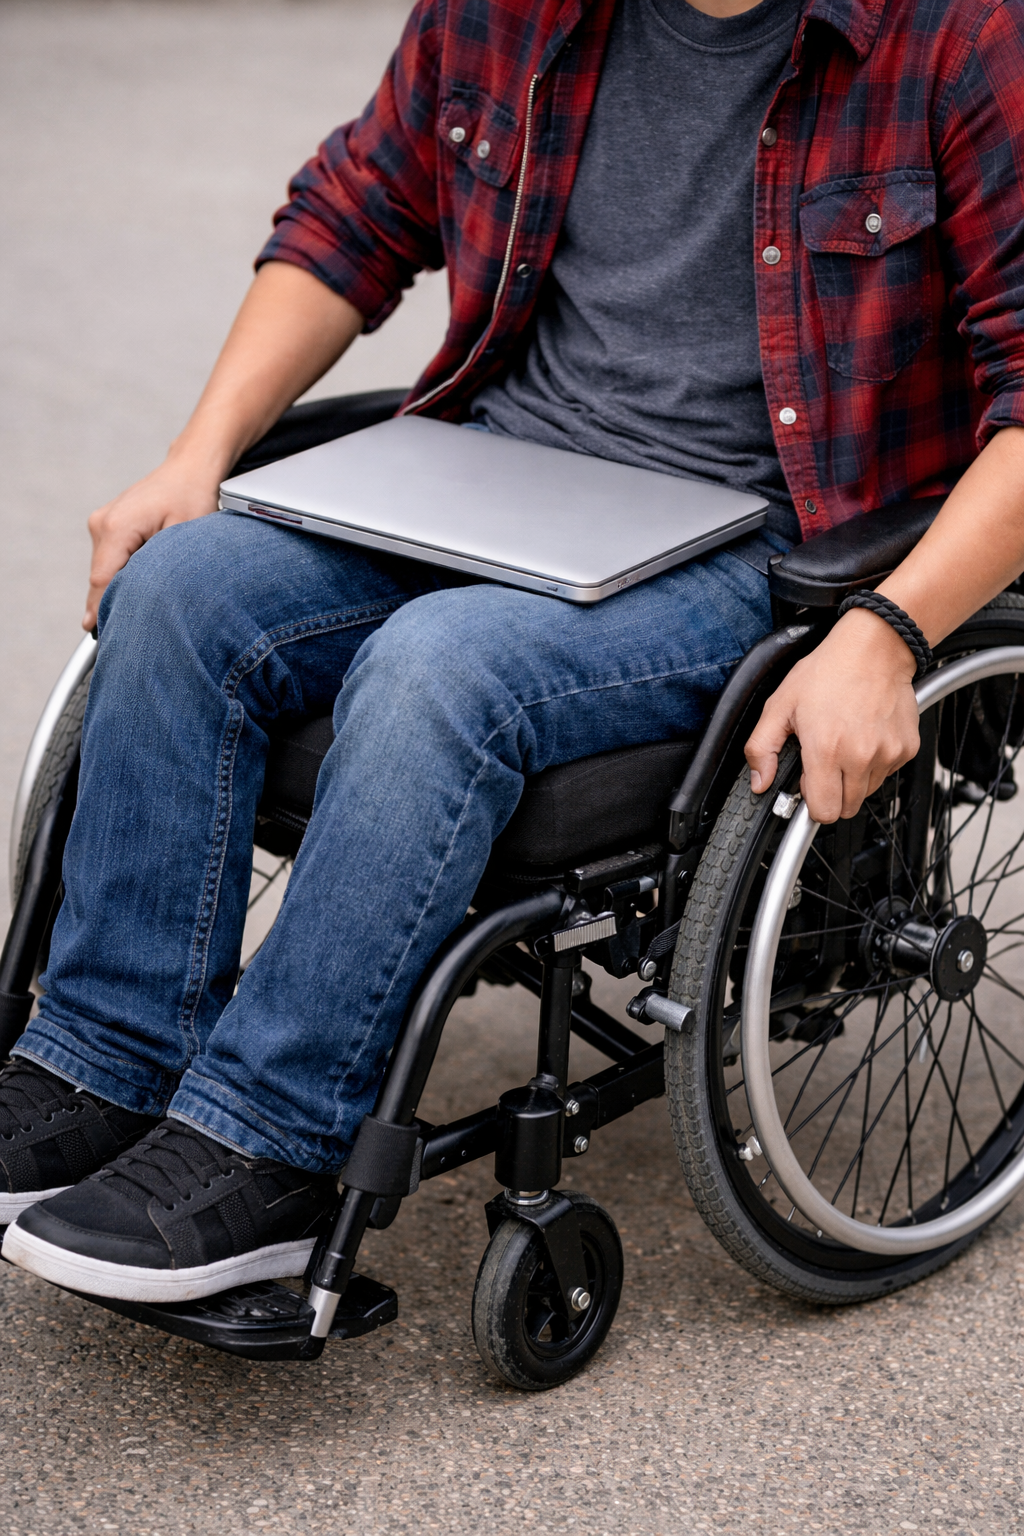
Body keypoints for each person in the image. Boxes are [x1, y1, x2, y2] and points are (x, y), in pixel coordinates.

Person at [3, 0, 1024, 1302]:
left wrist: (890, 627)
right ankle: (102, 1054)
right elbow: (350, 218)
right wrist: (193, 461)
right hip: (494, 466)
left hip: (763, 539)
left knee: (439, 670)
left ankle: (268, 1144)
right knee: (184, 586)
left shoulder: (955, 37)